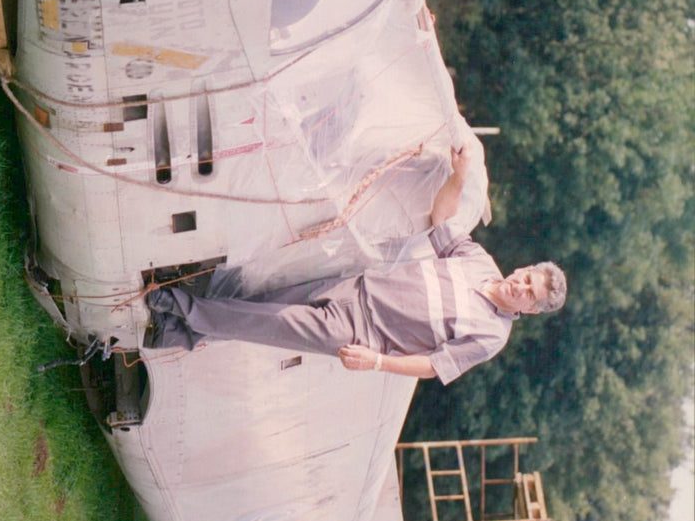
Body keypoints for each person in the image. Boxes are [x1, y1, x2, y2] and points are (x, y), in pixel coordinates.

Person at [146, 142, 566, 384]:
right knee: (258, 304)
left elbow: (434, 365)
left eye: (530, 294)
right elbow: (442, 219)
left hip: (361, 333)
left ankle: (173, 305)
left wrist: (378, 362)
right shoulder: (478, 261)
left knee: (270, 325)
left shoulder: (492, 335)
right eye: (527, 278)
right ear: (522, 270)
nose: (521, 287)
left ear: (530, 310)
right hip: (353, 287)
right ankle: (171, 333)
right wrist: (458, 177)